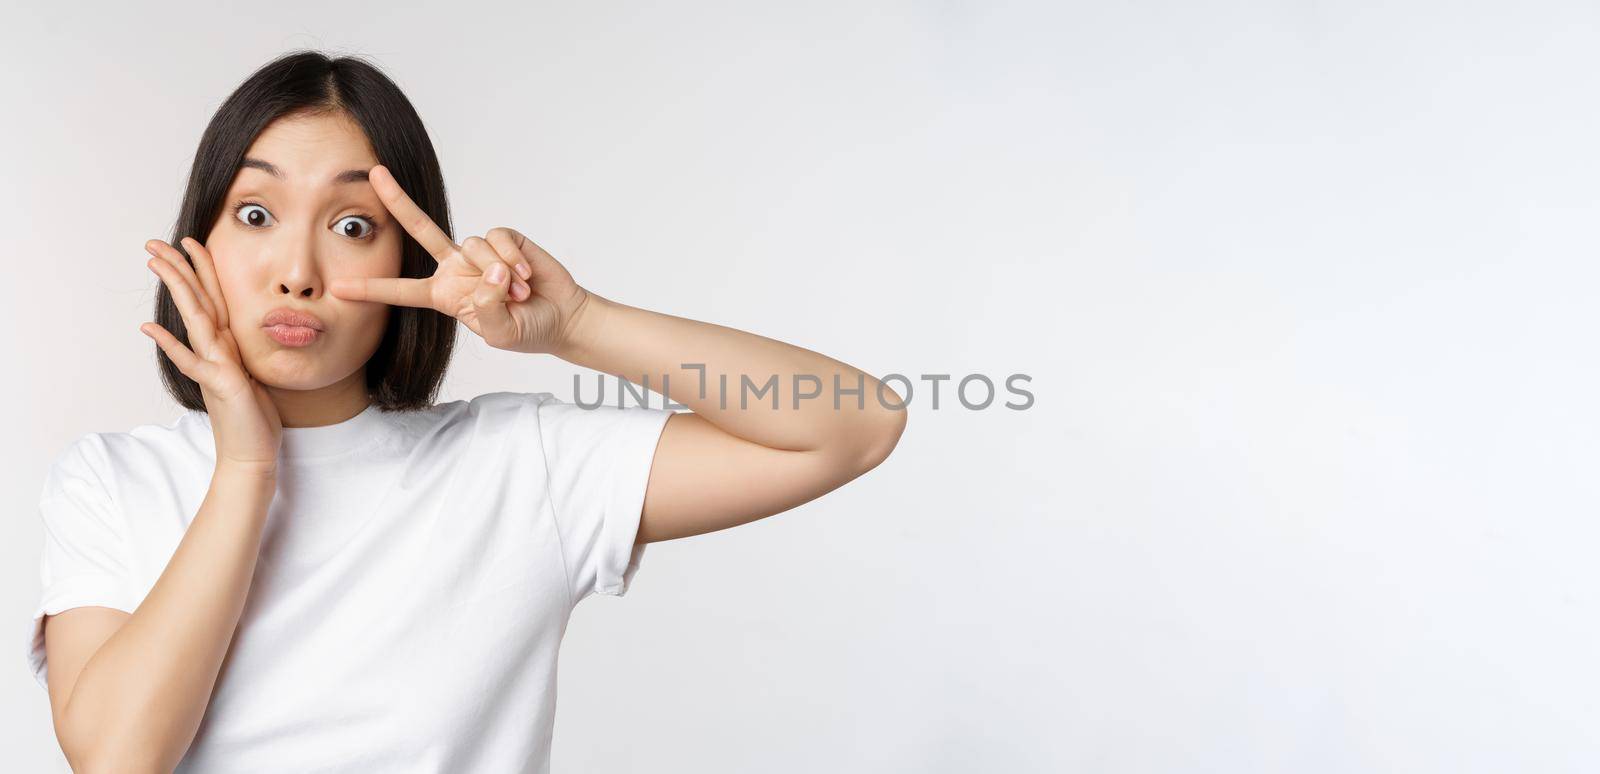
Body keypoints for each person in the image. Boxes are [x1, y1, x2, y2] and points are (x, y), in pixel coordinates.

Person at [28, 50, 906, 773]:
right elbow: (116, 759)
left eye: (351, 225)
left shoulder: (517, 467)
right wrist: (247, 469)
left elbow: (855, 423)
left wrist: (579, 325)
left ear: (409, 258)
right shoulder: (111, 481)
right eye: (254, 213)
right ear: (198, 244)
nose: (296, 270)